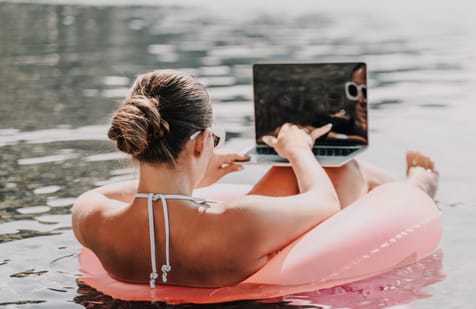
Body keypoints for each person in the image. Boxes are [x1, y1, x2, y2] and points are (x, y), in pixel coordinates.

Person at [72, 69, 438, 288]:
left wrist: (192, 181)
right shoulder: (239, 220)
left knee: (304, 172)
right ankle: (416, 190)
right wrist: (297, 149)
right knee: (340, 171)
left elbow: (113, 193)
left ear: (134, 144)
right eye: (212, 140)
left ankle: (403, 187)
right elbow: (325, 202)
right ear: (201, 142)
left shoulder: (90, 217)